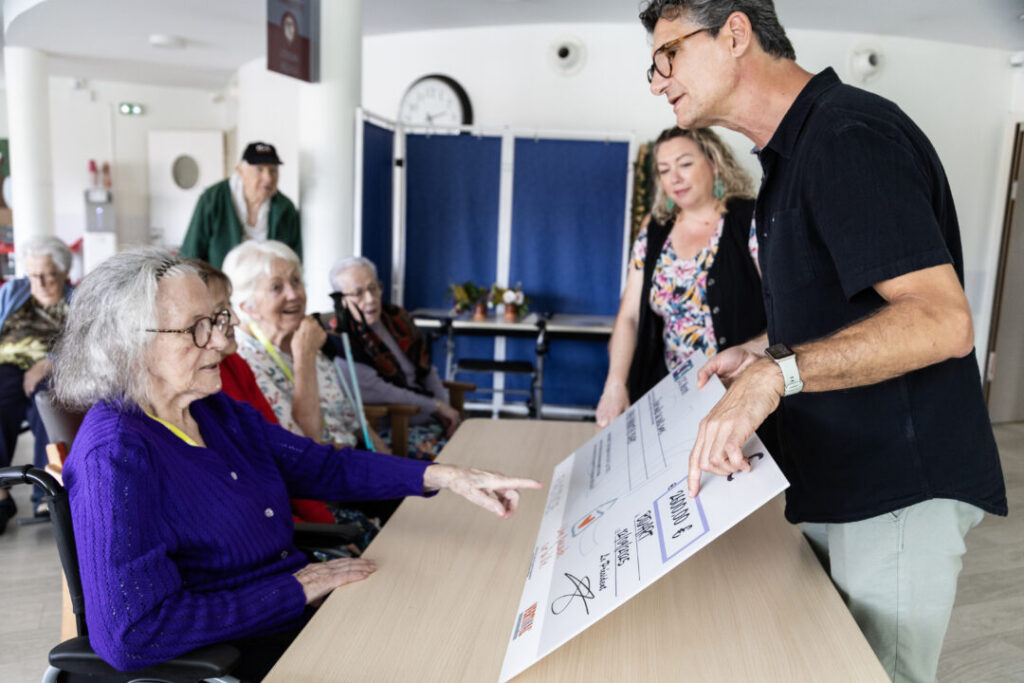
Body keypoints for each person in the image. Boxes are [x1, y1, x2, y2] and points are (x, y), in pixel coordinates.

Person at [639, 2, 1007, 681]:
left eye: (669, 56)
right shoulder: (788, 159)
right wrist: (758, 350)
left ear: (735, 32)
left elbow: (942, 322)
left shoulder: (846, 136)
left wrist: (775, 373)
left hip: (896, 489)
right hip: (838, 478)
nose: (657, 80)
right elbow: (840, 312)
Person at [51, 249, 541, 677]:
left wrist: (444, 475)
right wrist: (292, 590)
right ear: (129, 345)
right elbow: (133, 634)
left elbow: (322, 467)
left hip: (291, 617)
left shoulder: (211, 409)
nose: (222, 342)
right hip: (234, 655)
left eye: (217, 321)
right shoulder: (114, 456)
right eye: (198, 329)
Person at [595, 126, 764, 427]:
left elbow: (788, 315)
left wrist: (754, 351)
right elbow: (629, 317)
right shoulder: (655, 228)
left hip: (740, 397)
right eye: (664, 170)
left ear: (714, 162)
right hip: (669, 399)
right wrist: (615, 384)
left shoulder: (750, 220)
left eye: (685, 164)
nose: (674, 178)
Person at [329, 256, 461, 460]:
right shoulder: (343, 341)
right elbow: (382, 392)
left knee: (477, 444)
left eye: (373, 288)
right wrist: (437, 406)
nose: (370, 298)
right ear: (341, 300)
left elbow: (426, 369)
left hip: (429, 417)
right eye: (358, 293)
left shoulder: (396, 319)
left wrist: (446, 410)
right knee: (462, 458)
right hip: (397, 427)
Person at [0, 236, 74, 530]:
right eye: (33, 275)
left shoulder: (77, 300)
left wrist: (48, 362)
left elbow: (85, 344)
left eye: (48, 275)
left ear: (63, 272)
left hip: (54, 367)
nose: (40, 282)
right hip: (6, 365)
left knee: (49, 401)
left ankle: (46, 492)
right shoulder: (12, 292)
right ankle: (1, 490)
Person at [180, 142, 301, 269]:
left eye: (273, 170)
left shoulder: (285, 208)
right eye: (259, 169)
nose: (268, 178)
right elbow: (190, 254)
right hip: (222, 285)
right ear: (241, 171)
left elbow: (294, 259)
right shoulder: (212, 199)